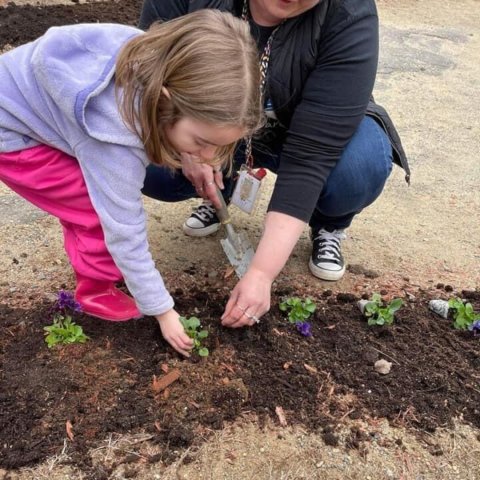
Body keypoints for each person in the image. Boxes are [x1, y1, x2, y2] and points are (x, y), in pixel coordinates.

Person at [0, 10, 264, 356]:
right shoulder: (115, 136)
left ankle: (100, 266)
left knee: (92, 199)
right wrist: (163, 310)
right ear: (167, 101)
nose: (209, 154)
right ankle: (95, 291)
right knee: (93, 209)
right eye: (201, 141)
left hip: (28, 101)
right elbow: (124, 228)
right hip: (11, 135)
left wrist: (193, 153)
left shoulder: (153, 56)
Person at [139, 0, 411, 329]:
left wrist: (261, 273)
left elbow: (311, 153)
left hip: (304, 129)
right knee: (150, 163)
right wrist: (192, 151)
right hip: (219, 128)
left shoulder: (348, 13)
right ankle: (220, 189)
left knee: (358, 168)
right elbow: (149, 79)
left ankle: (328, 223)